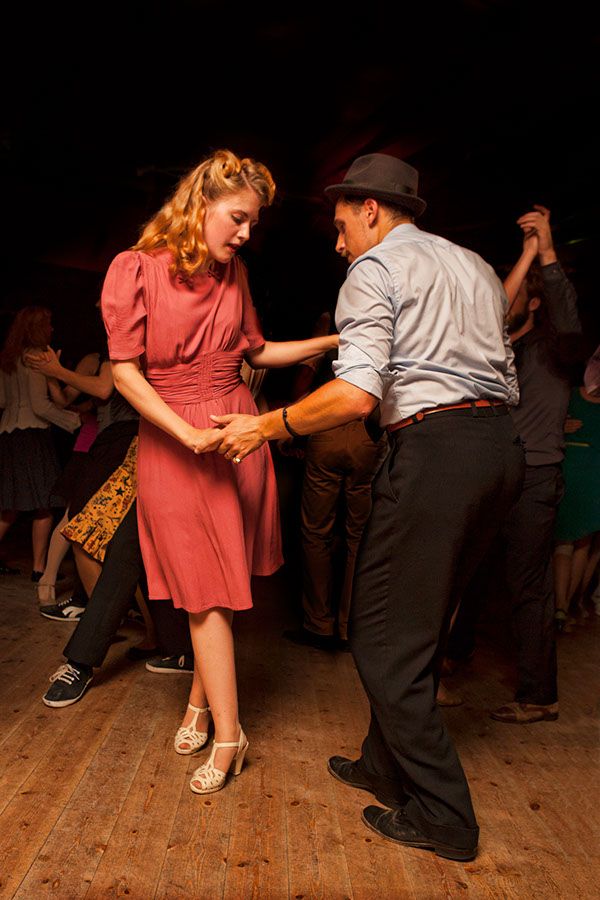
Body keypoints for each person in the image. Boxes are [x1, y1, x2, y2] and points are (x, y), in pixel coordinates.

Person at [208, 153, 525, 861]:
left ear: (373, 210)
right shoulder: (472, 264)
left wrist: (264, 426)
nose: (338, 239)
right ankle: (382, 765)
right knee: (417, 620)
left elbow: (355, 395)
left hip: (436, 451)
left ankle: (445, 817)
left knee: (381, 638)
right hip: (499, 451)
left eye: (343, 222)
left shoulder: (375, 270)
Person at [101, 149, 339, 795]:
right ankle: (233, 736)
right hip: (178, 440)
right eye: (237, 218)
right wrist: (183, 433)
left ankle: (204, 710)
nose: (245, 234)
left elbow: (257, 351)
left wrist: (332, 341)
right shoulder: (135, 268)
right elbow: (125, 370)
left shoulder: (233, 275)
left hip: (240, 430)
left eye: (253, 224)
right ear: (198, 204)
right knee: (203, 589)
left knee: (224, 588)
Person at [446, 206, 582, 722]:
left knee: (528, 586)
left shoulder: (555, 349)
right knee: (469, 571)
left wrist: (545, 250)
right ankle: (455, 654)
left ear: (537, 301)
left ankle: (537, 694)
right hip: (495, 471)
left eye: (522, 287)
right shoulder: (496, 345)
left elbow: (569, 322)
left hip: (537, 476)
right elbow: (494, 314)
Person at [0, 306, 80, 578]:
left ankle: (37, 568)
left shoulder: (8, 358)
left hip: (8, 434)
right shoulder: (38, 356)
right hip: (32, 435)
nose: (52, 329)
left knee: (10, 506)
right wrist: (73, 422)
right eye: (48, 324)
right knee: (43, 503)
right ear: (36, 328)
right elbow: (40, 407)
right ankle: (39, 569)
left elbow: (1, 401)